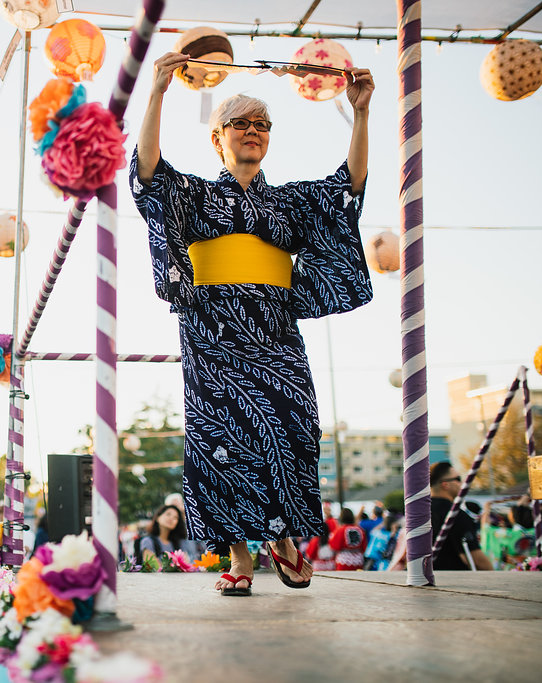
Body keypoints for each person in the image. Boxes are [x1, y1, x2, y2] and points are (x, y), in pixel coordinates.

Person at [131, 50, 375, 597]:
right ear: (217, 138)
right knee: (221, 439)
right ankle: (239, 557)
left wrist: (360, 113)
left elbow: (346, 190)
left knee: (292, 430)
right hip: (212, 329)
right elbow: (147, 175)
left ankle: (284, 541)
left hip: (275, 327)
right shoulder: (194, 193)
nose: (253, 132)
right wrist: (157, 94)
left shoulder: (288, 202)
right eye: (240, 124)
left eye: (262, 125)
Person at [430, 463, 493, 570]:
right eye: (458, 479)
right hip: (453, 579)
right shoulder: (455, 515)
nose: (462, 483)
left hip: (425, 576)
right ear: (445, 485)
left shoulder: (418, 514)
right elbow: (475, 559)